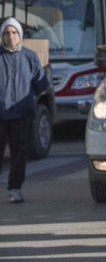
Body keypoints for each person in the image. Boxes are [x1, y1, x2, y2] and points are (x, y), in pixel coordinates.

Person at [0, 17, 49, 203]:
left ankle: (15, 188)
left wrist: (29, 100)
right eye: (7, 33)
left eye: (14, 32)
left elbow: (40, 84)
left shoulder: (30, 57)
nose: (10, 36)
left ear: (19, 34)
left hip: (22, 114)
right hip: (1, 114)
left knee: (19, 152)